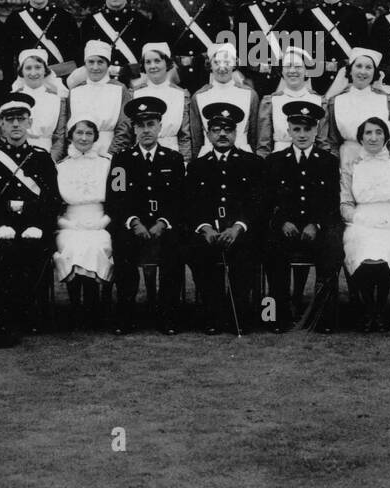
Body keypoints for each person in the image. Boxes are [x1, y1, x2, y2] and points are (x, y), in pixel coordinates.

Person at [0, 92, 61, 337]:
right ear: (1, 123)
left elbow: (52, 199)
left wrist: (37, 223)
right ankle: (6, 314)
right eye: (10, 119)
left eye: (20, 119)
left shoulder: (41, 158)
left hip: (35, 226)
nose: (15, 124)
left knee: (35, 251)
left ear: (29, 123)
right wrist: (0, 224)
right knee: (3, 252)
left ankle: (35, 314)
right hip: (5, 227)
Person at [106, 96, 187, 335]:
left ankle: (167, 315)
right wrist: (134, 222)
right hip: (134, 224)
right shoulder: (122, 160)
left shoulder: (173, 159)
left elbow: (179, 198)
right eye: (140, 125)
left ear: (160, 127)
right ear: (133, 129)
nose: (146, 130)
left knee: (175, 249)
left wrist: (163, 222)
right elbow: (116, 198)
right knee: (123, 248)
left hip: (164, 224)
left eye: (151, 124)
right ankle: (126, 316)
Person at [184, 102, 263, 335]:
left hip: (240, 232)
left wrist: (238, 227)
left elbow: (258, 203)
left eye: (227, 129)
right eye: (216, 129)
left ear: (235, 133)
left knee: (247, 252)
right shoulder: (197, 166)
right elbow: (191, 204)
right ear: (208, 134)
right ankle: (213, 312)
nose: (222, 134)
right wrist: (205, 228)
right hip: (209, 232)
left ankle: (238, 311)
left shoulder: (252, 163)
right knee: (197, 252)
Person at [263, 101, 341, 332]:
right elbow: (266, 201)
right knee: (272, 250)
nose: (302, 134)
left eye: (307, 129)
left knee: (331, 248)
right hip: (285, 228)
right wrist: (282, 222)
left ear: (316, 130)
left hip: (316, 228)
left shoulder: (329, 162)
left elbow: (332, 201)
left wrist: (316, 224)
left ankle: (324, 319)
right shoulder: (274, 161)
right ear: (288, 131)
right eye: (296, 129)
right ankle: (276, 316)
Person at [341, 115, 390, 332]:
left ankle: (380, 306)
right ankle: (369, 308)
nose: (373, 137)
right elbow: (345, 202)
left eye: (378, 132)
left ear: (386, 136)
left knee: (386, 253)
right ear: (361, 138)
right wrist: (358, 219)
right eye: (368, 133)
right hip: (360, 221)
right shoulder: (351, 166)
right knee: (361, 250)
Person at [53, 119, 114, 327]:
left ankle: (93, 304)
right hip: (70, 223)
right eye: (79, 133)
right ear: (71, 136)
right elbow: (52, 202)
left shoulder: (109, 164)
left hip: (101, 221)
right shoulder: (60, 166)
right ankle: (75, 306)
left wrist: (104, 221)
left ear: (96, 137)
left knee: (97, 245)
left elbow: (120, 197)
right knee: (72, 245)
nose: (84, 138)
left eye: (89, 133)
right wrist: (65, 224)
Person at [152, 0, 233, 94]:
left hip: (208, 77)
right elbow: (156, 50)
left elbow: (225, 48)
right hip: (173, 77)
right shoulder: (162, 8)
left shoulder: (216, 8)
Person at [0, 0, 81, 86]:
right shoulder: (15, 20)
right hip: (26, 86)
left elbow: (76, 60)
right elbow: (7, 62)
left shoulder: (65, 18)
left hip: (59, 85)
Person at [304, 0, 370, 98]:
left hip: (348, 84)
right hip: (316, 83)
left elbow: (364, 53)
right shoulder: (308, 16)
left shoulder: (357, 15)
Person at [234, 0, 301, 98]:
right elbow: (237, 50)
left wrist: (285, 84)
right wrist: (242, 80)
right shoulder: (245, 12)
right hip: (250, 80)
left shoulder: (292, 13)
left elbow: (296, 52)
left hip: (283, 82)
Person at [326, 47, 390, 172]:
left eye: (368, 67)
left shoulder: (386, 100)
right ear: (350, 70)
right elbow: (332, 141)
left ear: (374, 72)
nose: (363, 72)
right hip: (347, 161)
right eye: (358, 66)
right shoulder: (336, 101)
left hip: (380, 161)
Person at [79, 0, 152, 85]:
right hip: (100, 84)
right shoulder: (90, 22)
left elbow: (149, 60)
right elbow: (82, 60)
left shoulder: (141, 21)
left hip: (134, 84)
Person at [190, 42, 260, 157]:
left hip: (243, 157)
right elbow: (197, 139)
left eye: (227, 62)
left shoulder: (249, 94)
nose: (222, 68)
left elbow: (254, 136)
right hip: (209, 157)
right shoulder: (199, 96)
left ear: (234, 64)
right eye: (216, 62)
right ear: (210, 65)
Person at [256, 45, 325, 156]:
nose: (292, 71)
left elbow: (323, 143)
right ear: (282, 71)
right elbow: (264, 146)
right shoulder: (271, 101)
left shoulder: (318, 100)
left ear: (306, 70)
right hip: (279, 160)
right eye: (288, 66)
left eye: (298, 66)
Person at [67, 40, 132, 158]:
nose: (95, 67)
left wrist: (111, 155)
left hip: (110, 151)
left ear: (108, 65)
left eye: (100, 62)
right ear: (85, 64)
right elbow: (69, 129)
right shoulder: (75, 91)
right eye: (91, 62)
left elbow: (124, 128)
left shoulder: (119, 89)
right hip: (79, 153)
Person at [132, 42, 193, 162]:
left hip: (172, 155)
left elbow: (184, 136)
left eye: (157, 61)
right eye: (148, 62)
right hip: (141, 155)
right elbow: (130, 133)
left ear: (167, 63)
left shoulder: (181, 94)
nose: (153, 66)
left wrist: (185, 162)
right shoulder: (135, 93)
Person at [11, 48, 69, 158]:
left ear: (45, 70)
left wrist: (50, 163)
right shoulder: (13, 99)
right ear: (21, 72)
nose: (33, 73)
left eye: (38, 67)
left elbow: (59, 139)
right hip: (17, 155)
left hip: (47, 154)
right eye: (28, 68)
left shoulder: (57, 100)